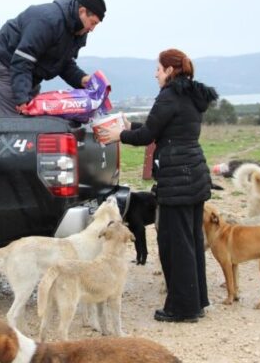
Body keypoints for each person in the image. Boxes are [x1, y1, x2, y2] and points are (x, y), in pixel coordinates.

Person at [98, 48, 218, 322]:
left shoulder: (169, 95)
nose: (155, 73)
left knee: (175, 243)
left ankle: (181, 308)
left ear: (169, 70)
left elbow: (149, 135)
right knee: (191, 239)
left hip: (176, 176)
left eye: (158, 69)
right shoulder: (190, 95)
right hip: (195, 172)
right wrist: (133, 125)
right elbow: (166, 126)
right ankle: (196, 301)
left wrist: (121, 134)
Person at [0, 0, 106, 116]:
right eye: (93, 23)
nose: (92, 29)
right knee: (15, 127)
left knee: (33, 122)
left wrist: (82, 79)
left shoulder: (78, 31)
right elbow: (22, 60)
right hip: (1, 67)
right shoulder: (48, 21)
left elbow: (62, 63)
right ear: (82, 11)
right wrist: (23, 99)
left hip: (26, 75)